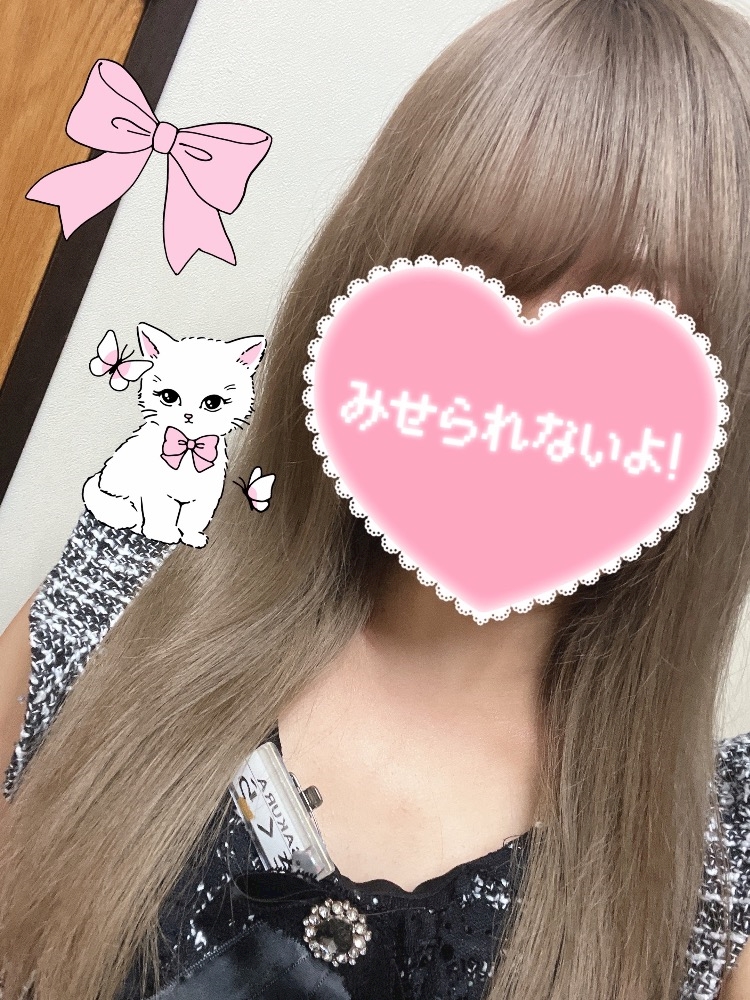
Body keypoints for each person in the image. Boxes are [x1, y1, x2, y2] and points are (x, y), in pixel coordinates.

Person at [3, 0, 750, 997]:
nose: (513, 386)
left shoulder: (714, 878)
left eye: (630, 313)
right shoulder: (112, 603)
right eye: (476, 272)